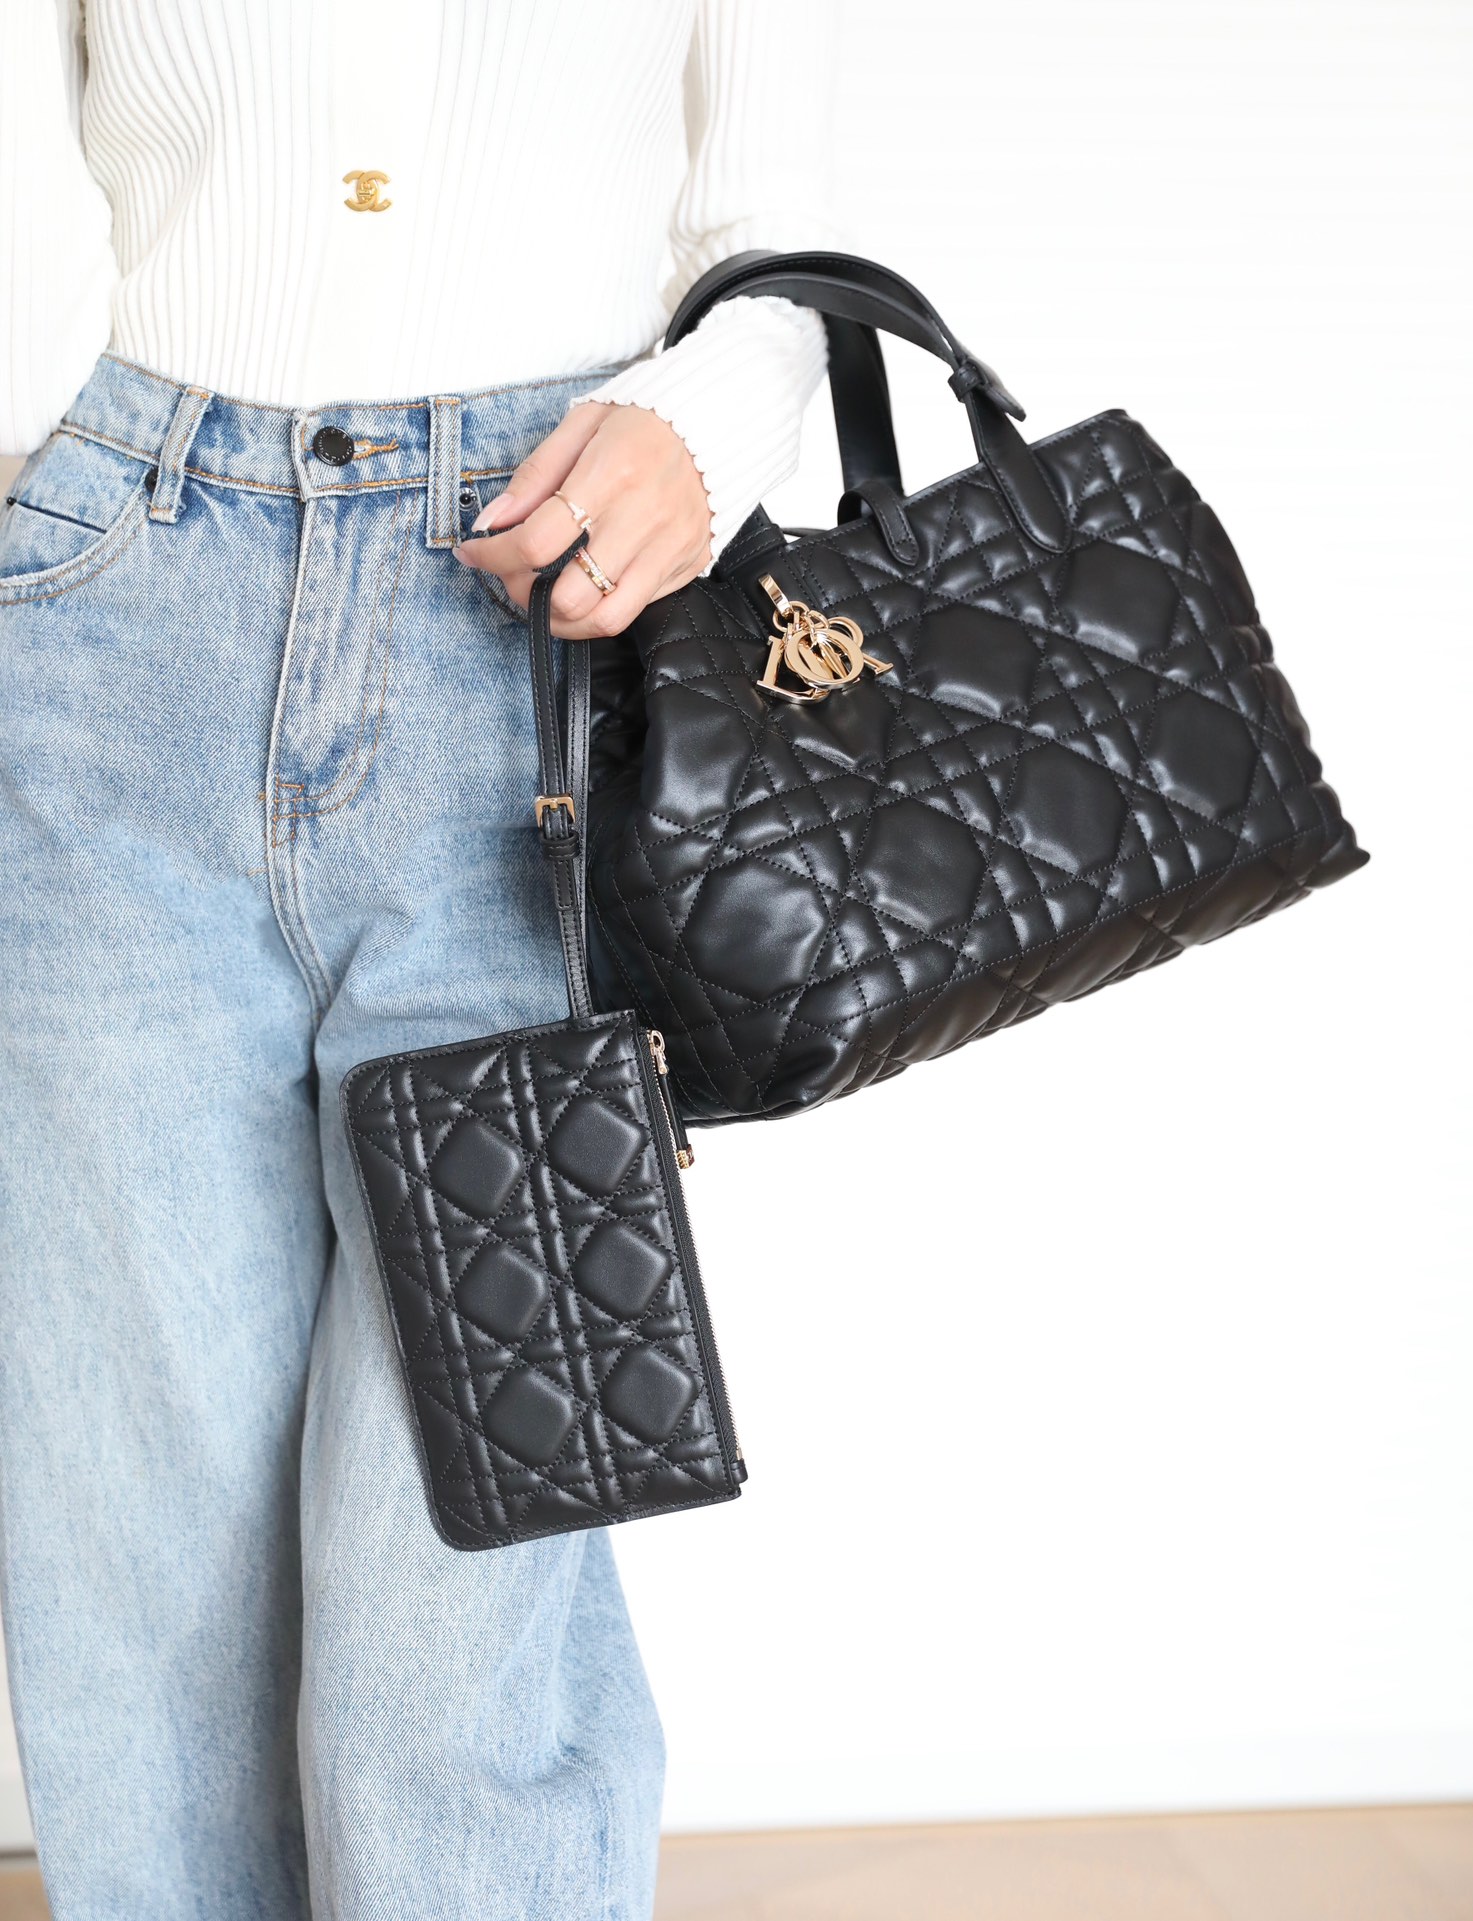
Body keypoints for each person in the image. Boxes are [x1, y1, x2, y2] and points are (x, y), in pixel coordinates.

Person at [0, 3, 836, 1915]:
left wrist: (697, 435)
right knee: (137, 1500)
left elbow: (771, 240)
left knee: (474, 1511)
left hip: (537, 638)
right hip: (107, 593)